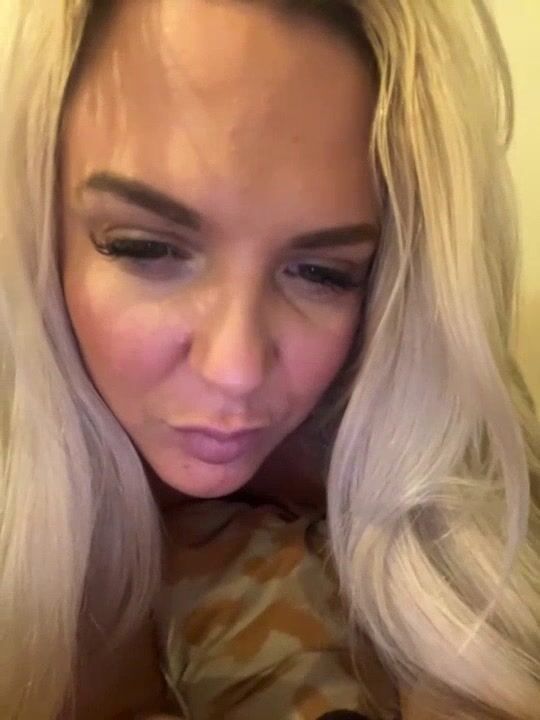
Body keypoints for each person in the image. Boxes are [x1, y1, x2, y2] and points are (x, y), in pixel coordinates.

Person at [0, 1, 538, 719]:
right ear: (40, 226)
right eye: (145, 247)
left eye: (322, 273)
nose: (236, 369)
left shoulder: (436, 436)